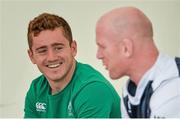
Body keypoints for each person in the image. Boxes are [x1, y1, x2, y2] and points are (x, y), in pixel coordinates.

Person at [24, 12, 121, 118]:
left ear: (73, 49)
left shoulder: (93, 89)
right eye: (42, 50)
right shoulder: (36, 89)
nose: (51, 57)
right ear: (31, 56)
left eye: (58, 48)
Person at [95, 6, 180, 118]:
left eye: (102, 47)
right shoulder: (131, 89)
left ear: (126, 48)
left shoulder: (173, 88)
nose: (98, 55)